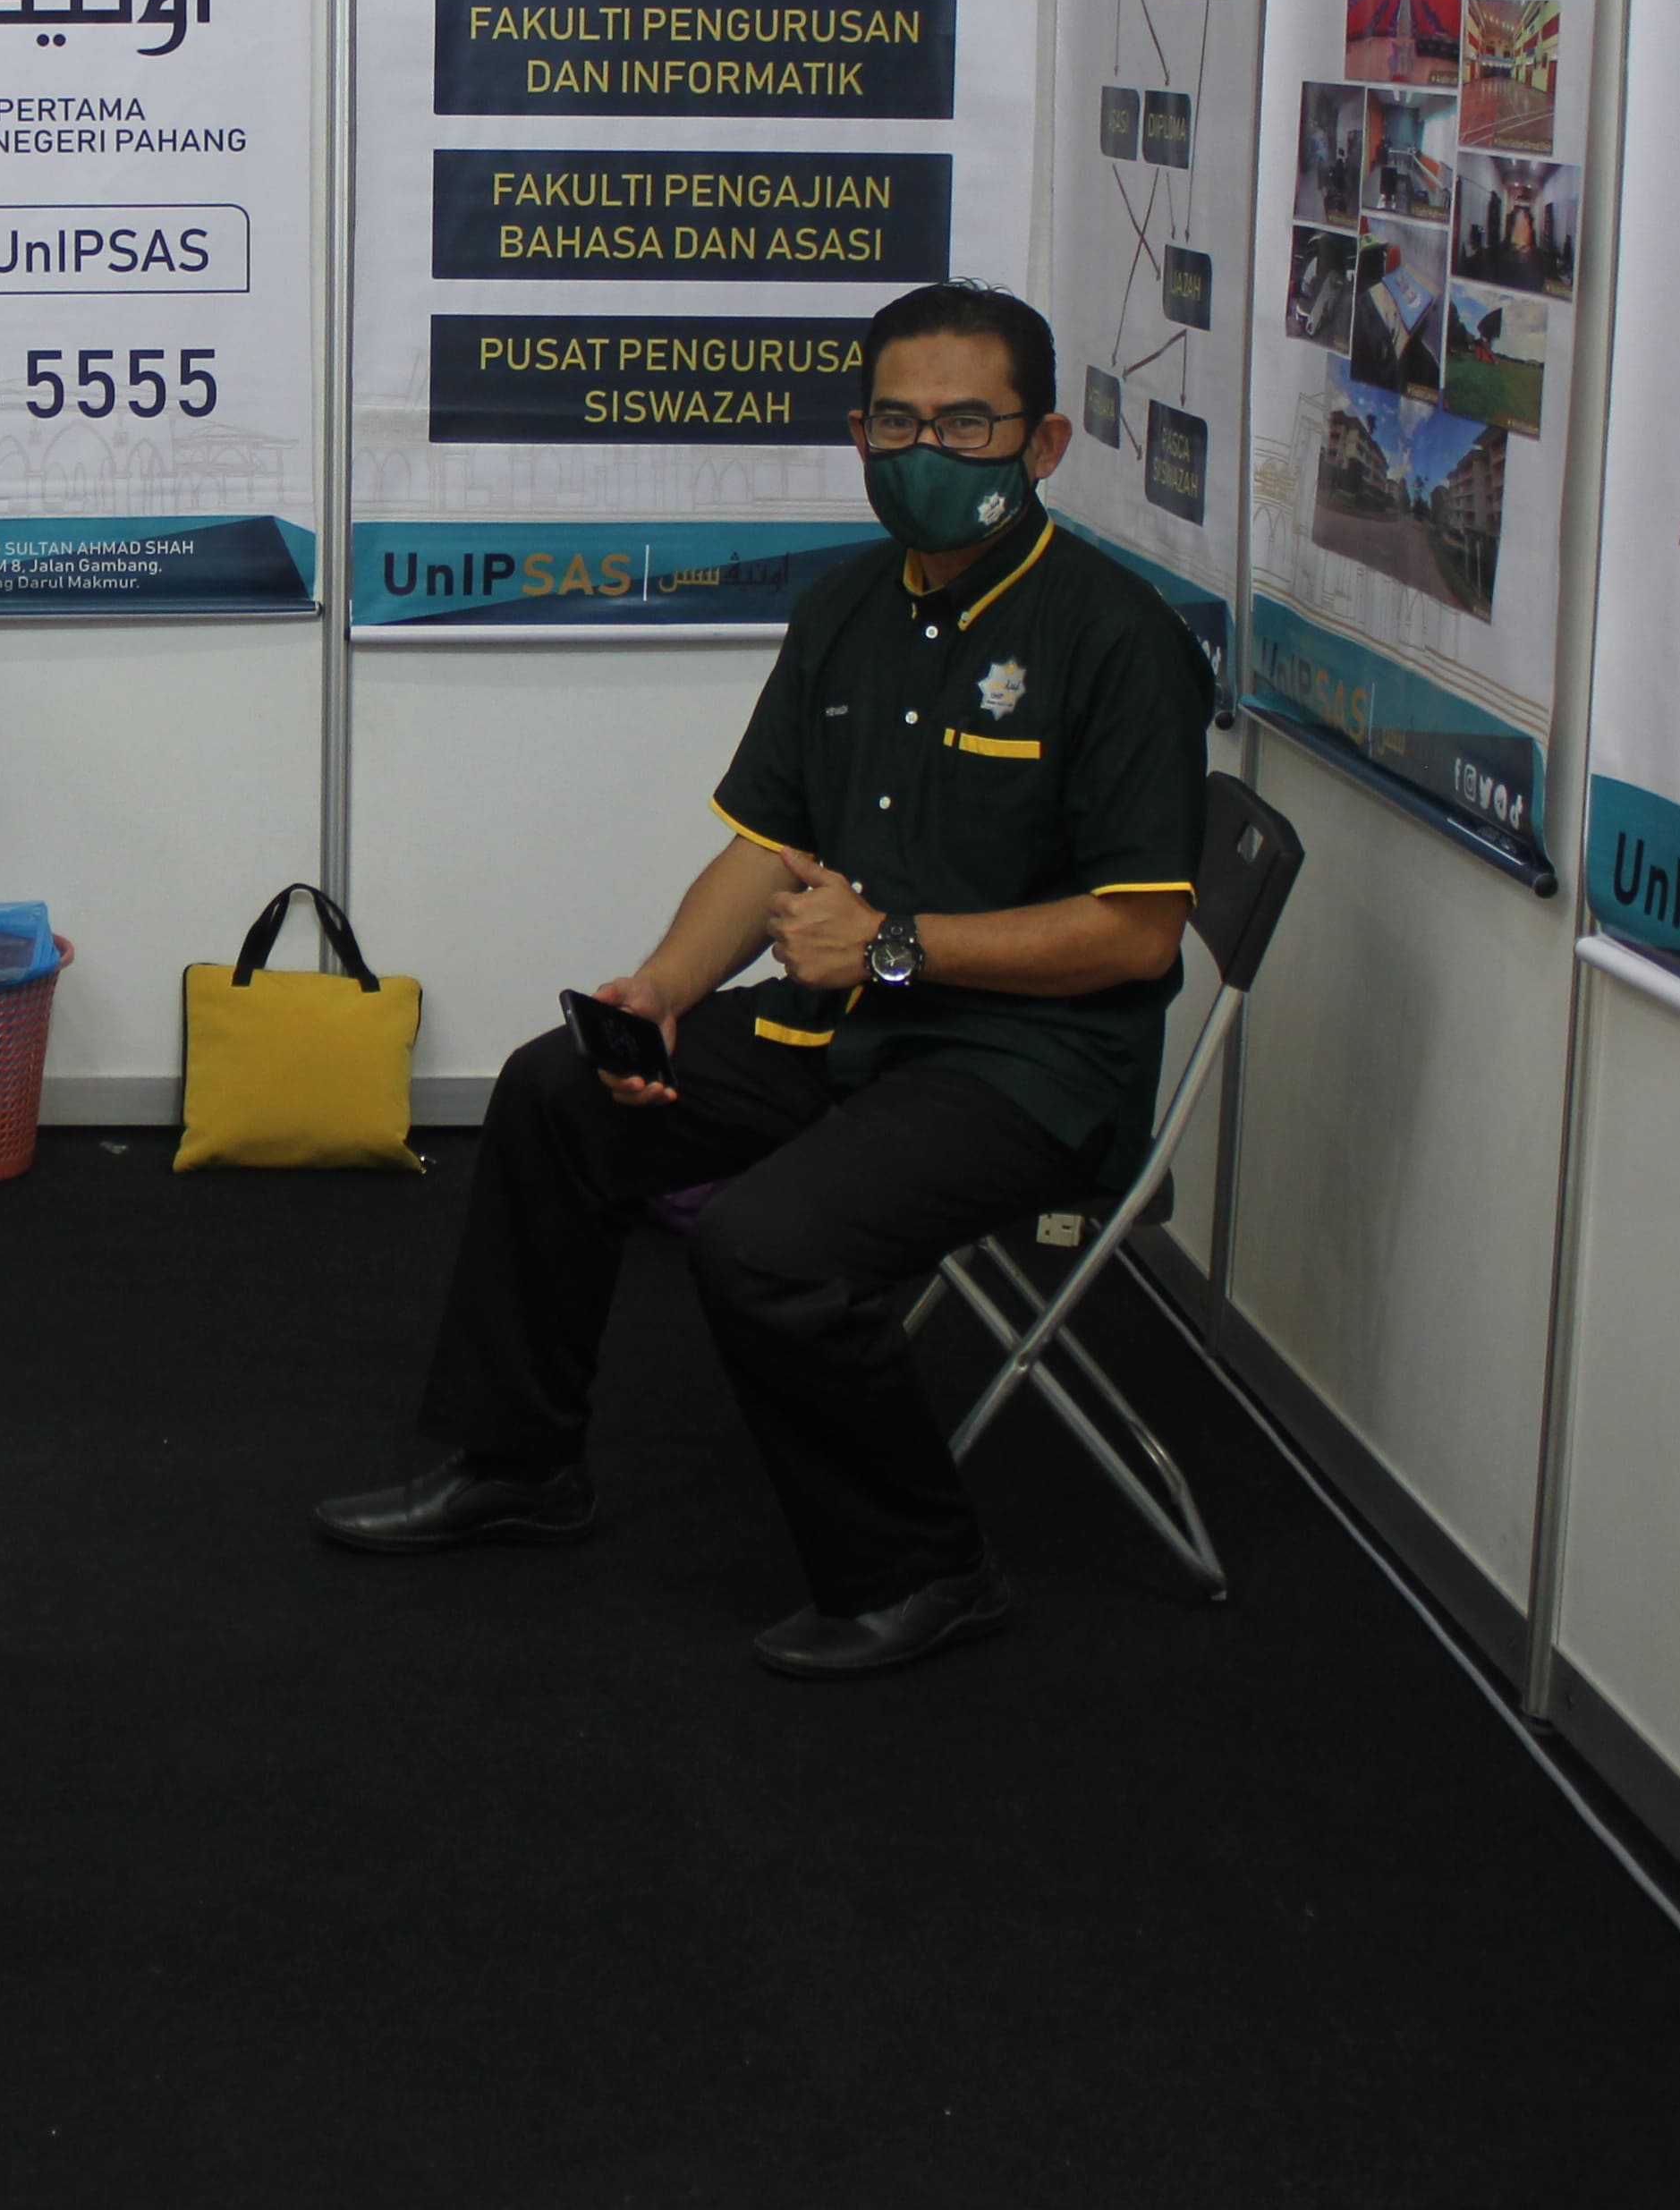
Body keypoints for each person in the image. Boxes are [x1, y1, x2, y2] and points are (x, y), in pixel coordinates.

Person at [316, 281, 1209, 1681]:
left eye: (969, 424)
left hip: (1025, 1069)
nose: (929, 452)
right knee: (558, 1091)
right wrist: (667, 989)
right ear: (858, 434)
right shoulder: (847, 604)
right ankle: (517, 1463)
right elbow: (767, 846)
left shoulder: (1118, 639)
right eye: (898, 422)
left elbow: (1138, 935)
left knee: (767, 1248)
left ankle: (926, 1568)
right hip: (841, 1026)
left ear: (1043, 445)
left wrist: (896, 944)